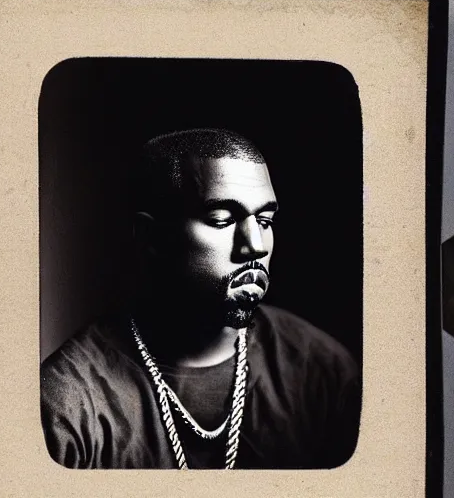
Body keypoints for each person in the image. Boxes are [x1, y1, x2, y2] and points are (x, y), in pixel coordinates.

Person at [40, 128, 361, 470]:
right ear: (152, 237)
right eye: (222, 220)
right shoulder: (68, 402)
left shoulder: (323, 371)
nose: (256, 245)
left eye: (265, 220)